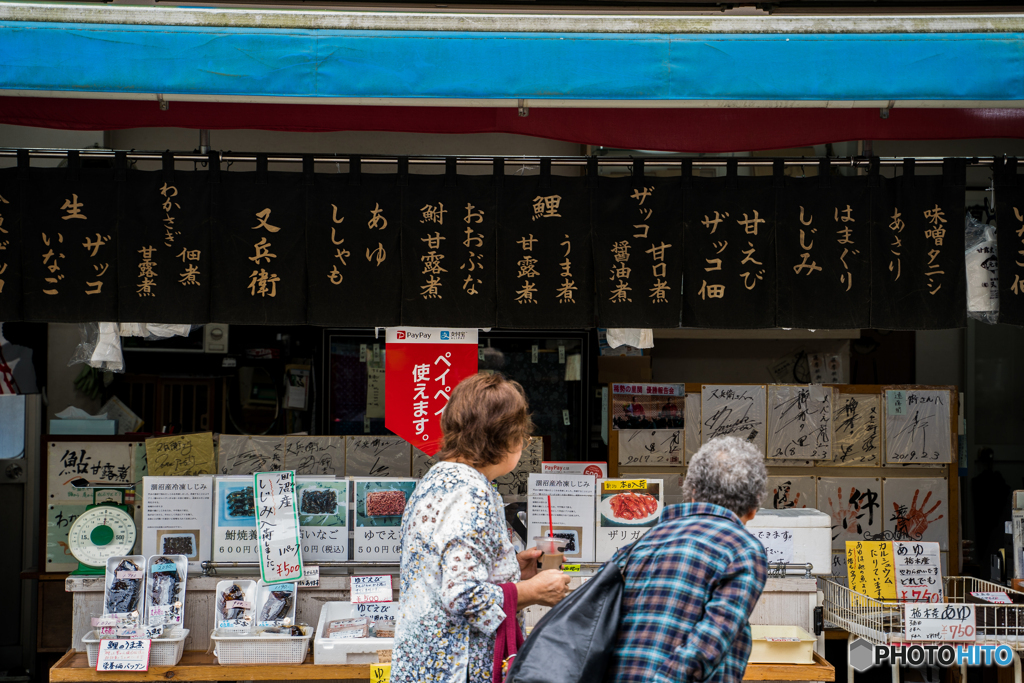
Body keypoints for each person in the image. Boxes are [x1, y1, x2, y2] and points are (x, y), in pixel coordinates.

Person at [392, 373, 571, 683]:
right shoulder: (471, 492)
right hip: (454, 667)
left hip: (421, 663)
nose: (525, 442)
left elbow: (446, 573)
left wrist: (510, 571)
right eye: (521, 433)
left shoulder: (436, 480)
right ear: (506, 437)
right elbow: (463, 596)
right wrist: (532, 591)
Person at [607, 436, 769, 683]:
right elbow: (709, 641)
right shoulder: (743, 549)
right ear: (754, 506)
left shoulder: (640, 544)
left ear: (692, 492)